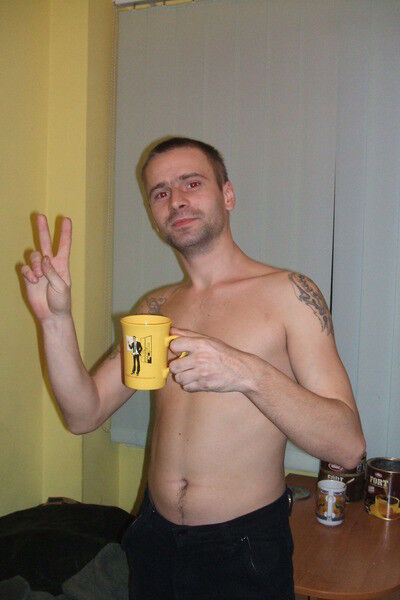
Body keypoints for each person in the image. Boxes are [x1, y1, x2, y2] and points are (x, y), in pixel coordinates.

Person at [20, 137, 366, 599]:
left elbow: (347, 445)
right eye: (160, 192)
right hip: (153, 537)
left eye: (192, 183)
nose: (176, 200)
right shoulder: (156, 308)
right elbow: (84, 413)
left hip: (243, 548)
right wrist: (55, 321)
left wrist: (244, 372)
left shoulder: (289, 296)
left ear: (228, 194)